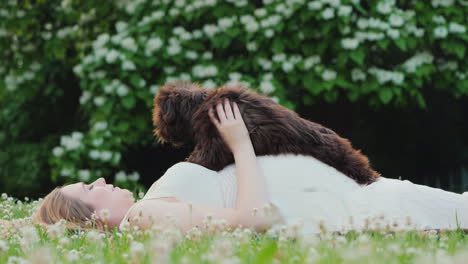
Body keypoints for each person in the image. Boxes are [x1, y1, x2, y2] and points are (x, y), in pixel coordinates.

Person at [33, 100, 468, 234]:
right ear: (99, 217)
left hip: (351, 198)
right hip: (355, 205)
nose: (102, 181)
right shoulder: (144, 215)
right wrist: (240, 144)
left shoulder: (149, 211)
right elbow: (249, 219)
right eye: (90, 189)